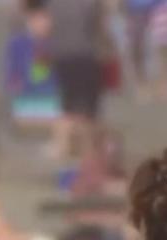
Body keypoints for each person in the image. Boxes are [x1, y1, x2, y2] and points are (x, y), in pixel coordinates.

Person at [46, 0, 111, 158]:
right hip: (86, 55)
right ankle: (88, 149)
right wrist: (108, 51)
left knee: (67, 105)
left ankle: (62, 148)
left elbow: (46, 26)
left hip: (61, 55)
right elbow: (100, 28)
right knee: (89, 109)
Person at [121, 0, 167, 102]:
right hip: (134, 6)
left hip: (160, 4)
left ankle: (165, 82)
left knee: (164, 42)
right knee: (136, 45)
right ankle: (141, 83)